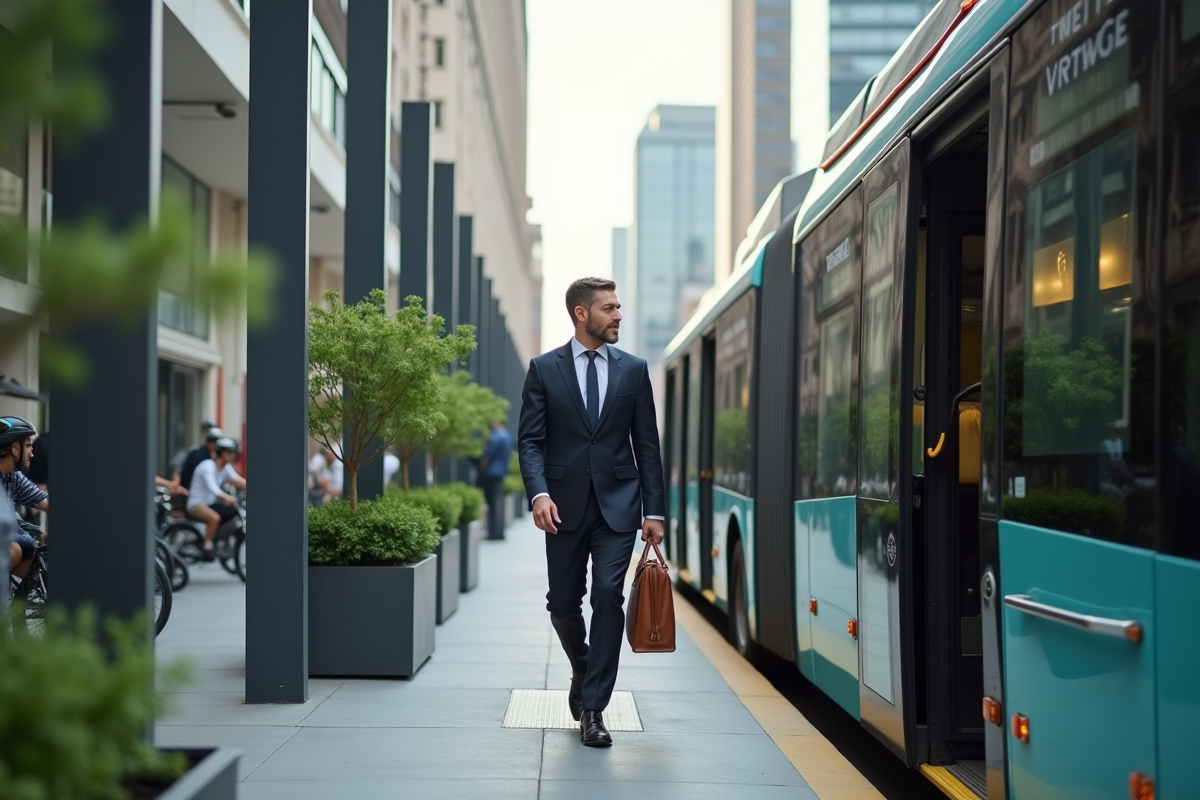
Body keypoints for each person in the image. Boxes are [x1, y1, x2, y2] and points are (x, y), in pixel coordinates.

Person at [517, 277, 665, 748]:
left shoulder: (634, 370)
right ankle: (584, 670)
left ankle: (595, 708)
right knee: (562, 603)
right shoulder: (543, 369)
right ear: (582, 314)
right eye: (609, 308)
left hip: (619, 506)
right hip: (561, 508)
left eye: (619, 306)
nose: (618, 315)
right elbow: (531, 441)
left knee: (607, 593)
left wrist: (655, 511)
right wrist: (539, 494)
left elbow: (647, 445)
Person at [0, 417, 47, 579]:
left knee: (40, 564)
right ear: (14, 448)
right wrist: (34, 537)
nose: (32, 453)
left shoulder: (13, 477)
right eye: (28, 446)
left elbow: (46, 502)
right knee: (14, 550)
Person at [187, 437, 246, 558]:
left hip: (211, 502)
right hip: (196, 503)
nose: (232, 455)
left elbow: (238, 481)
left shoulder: (226, 467)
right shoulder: (207, 466)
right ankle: (207, 546)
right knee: (215, 518)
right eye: (229, 452)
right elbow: (212, 487)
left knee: (231, 512)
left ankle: (218, 540)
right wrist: (226, 497)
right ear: (222, 453)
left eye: (233, 452)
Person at [479, 419, 515, 540]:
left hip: (491, 473)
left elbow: (487, 457)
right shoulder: (507, 436)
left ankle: (493, 533)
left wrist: (482, 465)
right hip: (500, 472)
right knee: (497, 502)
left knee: (493, 503)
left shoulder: (495, 437)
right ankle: (499, 531)